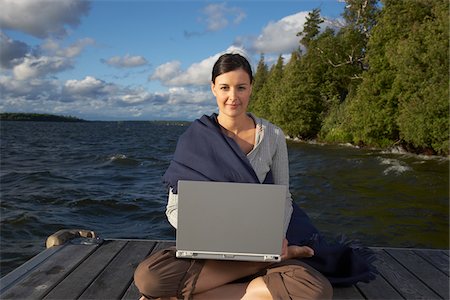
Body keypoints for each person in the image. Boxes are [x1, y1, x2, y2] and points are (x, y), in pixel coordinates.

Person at [134, 52, 375, 299]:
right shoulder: (194, 138)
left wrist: (276, 240)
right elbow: (174, 209)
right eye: (225, 87)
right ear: (213, 89)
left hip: (260, 246)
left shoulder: (273, 135)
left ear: (250, 89)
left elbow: (284, 197)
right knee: (148, 277)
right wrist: (207, 231)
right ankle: (255, 271)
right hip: (211, 249)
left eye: (241, 87)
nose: (233, 96)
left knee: (315, 290)